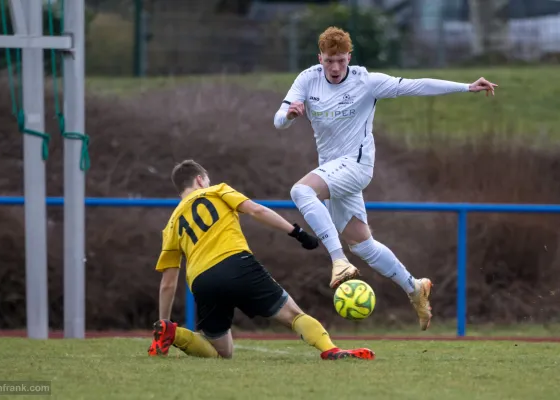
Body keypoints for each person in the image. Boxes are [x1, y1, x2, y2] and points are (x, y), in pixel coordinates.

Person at [273, 26, 497, 330]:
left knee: (301, 192)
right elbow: (278, 121)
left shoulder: (366, 81)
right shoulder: (307, 79)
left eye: (341, 60)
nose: (335, 68)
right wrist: (289, 114)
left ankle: (338, 262)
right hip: (333, 171)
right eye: (329, 61)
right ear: (319, 58)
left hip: (356, 166)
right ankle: (414, 287)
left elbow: (416, 86)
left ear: (349, 57)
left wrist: (466, 87)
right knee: (363, 246)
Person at [148, 159, 376, 360]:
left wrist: (164, 322)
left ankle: (173, 333)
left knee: (221, 352)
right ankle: (330, 349)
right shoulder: (217, 191)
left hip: (202, 281)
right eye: (206, 180)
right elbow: (257, 211)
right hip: (236, 263)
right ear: (200, 180)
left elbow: (168, 282)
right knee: (293, 315)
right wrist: (297, 233)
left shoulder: (171, 224)